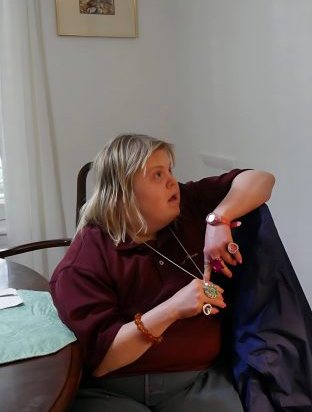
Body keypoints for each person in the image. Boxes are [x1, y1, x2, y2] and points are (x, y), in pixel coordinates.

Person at [50, 133, 275, 411]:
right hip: (112, 390)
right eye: (157, 175)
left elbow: (261, 179)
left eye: (169, 170)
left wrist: (220, 218)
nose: (171, 181)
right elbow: (104, 359)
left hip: (196, 381)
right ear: (123, 193)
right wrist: (173, 309)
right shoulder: (86, 258)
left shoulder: (186, 205)